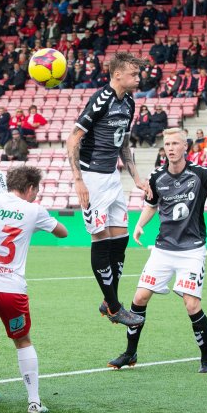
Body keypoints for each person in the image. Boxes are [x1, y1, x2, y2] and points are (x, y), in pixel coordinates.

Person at [108, 128, 207, 372]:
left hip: (192, 250)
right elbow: (151, 204)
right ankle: (130, 353)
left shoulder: (200, 174)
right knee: (139, 298)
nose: (170, 147)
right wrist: (139, 225)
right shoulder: (157, 176)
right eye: (167, 143)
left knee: (191, 304)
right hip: (163, 249)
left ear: (185, 147)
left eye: (175, 143)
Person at [0, 166, 68, 413]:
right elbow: (63, 232)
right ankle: (33, 401)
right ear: (31, 188)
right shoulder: (34, 210)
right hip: (13, 288)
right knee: (23, 341)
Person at [65, 52, 149, 327]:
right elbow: (73, 139)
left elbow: (123, 144)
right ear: (117, 75)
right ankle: (114, 307)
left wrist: (136, 177)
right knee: (100, 238)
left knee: (121, 237)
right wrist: (78, 179)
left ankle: (108, 300)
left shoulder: (129, 104)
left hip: (113, 176)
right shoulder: (101, 99)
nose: (138, 78)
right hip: (92, 178)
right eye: (133, 74)